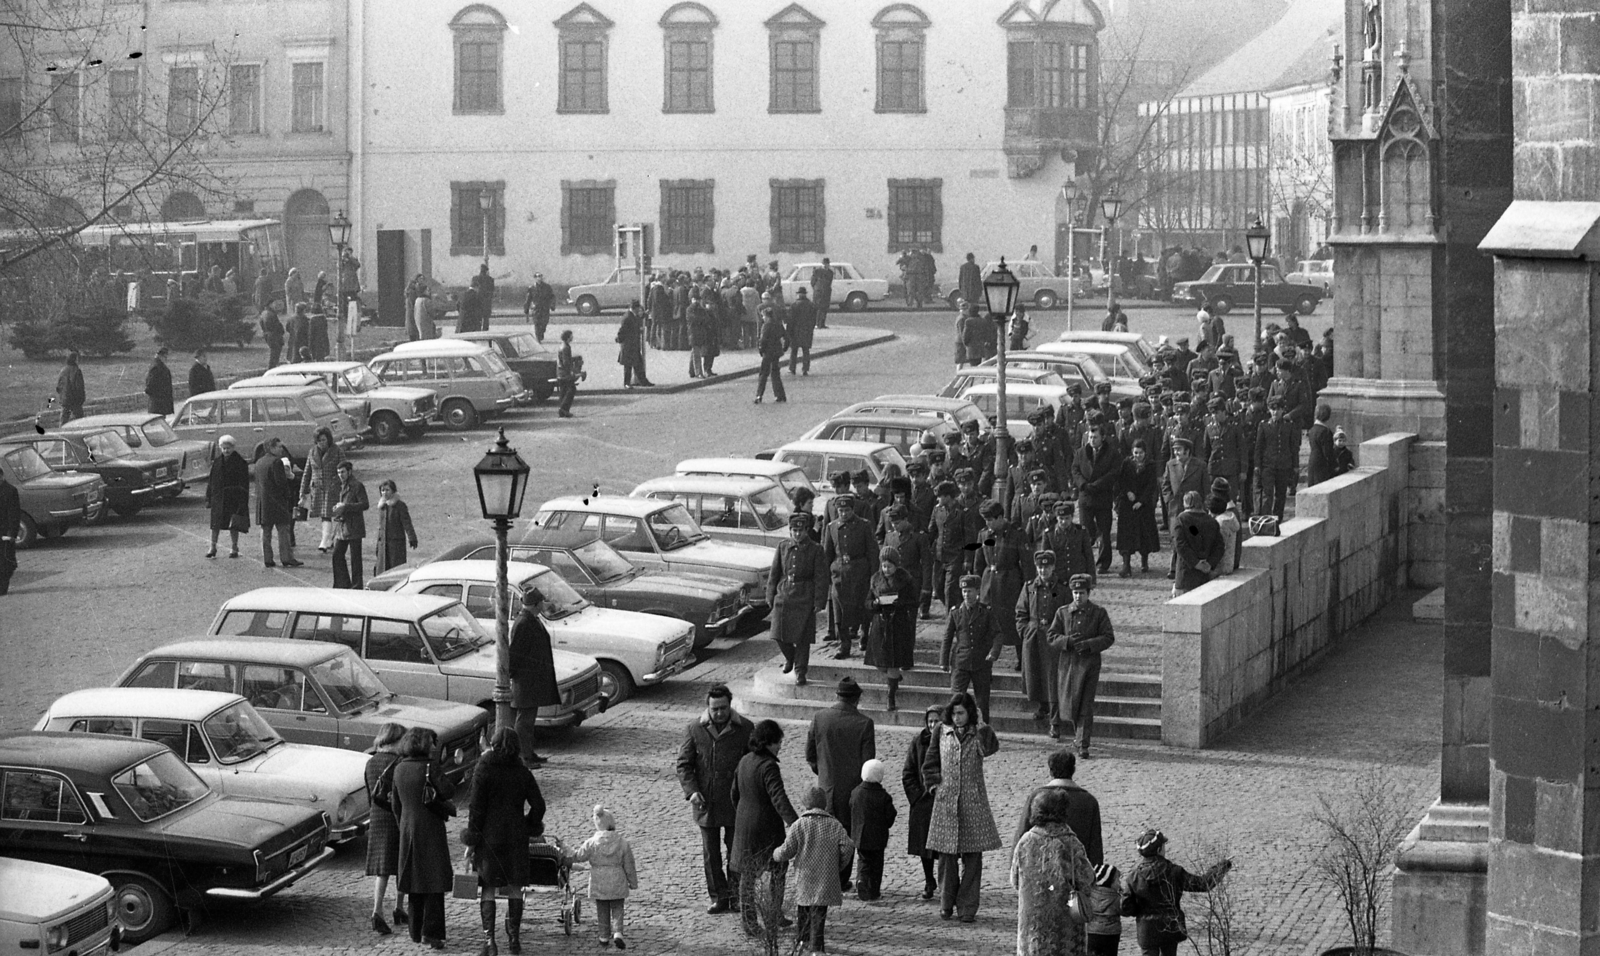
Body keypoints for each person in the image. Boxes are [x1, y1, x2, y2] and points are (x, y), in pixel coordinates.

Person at [463, 726, 545, 956]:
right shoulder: (522, 772)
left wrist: (472, 841)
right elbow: (539, 805)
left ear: (493, 745)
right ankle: (514, 938)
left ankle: (490, 941)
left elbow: (476, 810)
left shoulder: (484, 770)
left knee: (488, 887)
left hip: (489, 837)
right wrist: (529, 825)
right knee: (515, 887)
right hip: (516, 836)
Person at [923, 691, 1002, 923]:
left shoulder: (977, 733)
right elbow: (930, 761)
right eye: (954, 713)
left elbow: (990, 748)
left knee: (973, 857)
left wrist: (983, 725)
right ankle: (946, 903)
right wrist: (934, 786)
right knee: (946, 856)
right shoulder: (941, 731)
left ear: (970, 713)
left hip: (972, 802)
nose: (957, 718)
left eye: (961, 713)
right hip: (946, 802)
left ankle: (967, 906)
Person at [676, 684, 755, 915]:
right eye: (714, 709)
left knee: (736, 852)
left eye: (723, 708)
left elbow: (752, 762)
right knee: (711, 854)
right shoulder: (694, 729)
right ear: (708, 708)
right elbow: (684, 764)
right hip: (706, 803)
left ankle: (736, 895)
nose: (719, 713)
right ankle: (719, 897)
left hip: (735, 802)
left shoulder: (746, 728)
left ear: (730, 706)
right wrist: (692, 791)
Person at [805, 676, 875, 892]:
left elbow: (810, 754)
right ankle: (841, 879)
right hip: (852, 790)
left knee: (824, 834)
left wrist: (823, 773)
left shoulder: (820, 718)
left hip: (826, 787)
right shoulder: (864, 724)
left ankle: (824, 877)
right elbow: (868, 762)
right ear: (857, 699)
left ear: (836, 695)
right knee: (847, 835)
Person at [732, 719, 799, 938]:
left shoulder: (744, 760)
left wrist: (743, 814)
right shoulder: (768, 766)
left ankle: (749, 922)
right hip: (766, 828)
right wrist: (796, 823)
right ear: (768, 742)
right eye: (778, 742)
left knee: (747, 875)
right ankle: (774, 913)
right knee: (778, 869)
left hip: (744, 825)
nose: (779, 747)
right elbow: (778, 797)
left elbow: (734, 793)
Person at [1011, 787, 1097, 956]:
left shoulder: (1025, 842)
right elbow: (1087, 878)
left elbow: (1015, 880)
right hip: (1066, 925)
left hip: (1033, 925)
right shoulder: (1070, 843)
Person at [1122, 829, 1233, 956]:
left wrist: (1141, 911)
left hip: (1146, 931)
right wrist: (1222, 866)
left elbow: (1125, 907)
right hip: (1170, 927)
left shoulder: (1133, 877)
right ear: (1159, 849)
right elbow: (1203, 884)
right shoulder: (1174, 872)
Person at [392, 727, 455, 950]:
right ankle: (433, 933)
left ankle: (415, 930)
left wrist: (403, 825)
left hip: (408, 830)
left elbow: (395, 804)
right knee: (434, 882)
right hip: (430, 829)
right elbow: (448, 791)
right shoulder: (430, 767)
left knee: (414, 880)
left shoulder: (399, 768)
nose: (434, 746)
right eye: (431, 742)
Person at [1047, 574, 1115, 759]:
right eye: (1075, 593)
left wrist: (1090, 645)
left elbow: (1108, 637)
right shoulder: (1062, 613)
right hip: (1068, 665)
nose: (1078, 596)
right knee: (1071, 703)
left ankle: (1083, 743)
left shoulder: (1098, 613)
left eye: (1082, 593)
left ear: (1088, 593)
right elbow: (1051, 636)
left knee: (1086, 703)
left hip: (1089, 665)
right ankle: (1078, 737)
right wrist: (1067, 641)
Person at [1011, 749, 1103, 866]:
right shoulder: (1089, 801)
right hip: (1075, 869)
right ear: (1073, 770)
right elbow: (1095, 845)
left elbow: (1022, 833)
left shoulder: (1037, 796)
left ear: (1050, 771)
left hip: (1039, 866)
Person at [565, 805, 638, 950]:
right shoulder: (622, 843)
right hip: (617, 879)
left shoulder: (592, 842)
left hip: (599, 880)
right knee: (617, 907)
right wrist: (633, 882)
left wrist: (565, 849)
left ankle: (604, 936)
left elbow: (578, 856)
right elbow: (629, 864)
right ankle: (618, 932)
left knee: (602, 908)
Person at [770, 512, 828, 685]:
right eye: (794, 530)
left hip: (805, 596)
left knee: (803, 638)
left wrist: (819, 601)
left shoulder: (816, 549)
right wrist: (770, 595)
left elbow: (821, 577)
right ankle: (791, 658)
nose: (797, 534)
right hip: (784, 594)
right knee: (777, 633)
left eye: (800, 531)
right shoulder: (783, 546)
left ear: (807, 530)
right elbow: (775, 573)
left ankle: (800, 671)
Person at [974, 500, 1032, 671]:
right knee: (986, 624)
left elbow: (1027, 564)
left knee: (1015, 623)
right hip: (989, 585)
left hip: (1010, 584)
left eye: (990, 520)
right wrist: (977, 586)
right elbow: (978, 563)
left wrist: (1028, 589)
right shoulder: (984, 534)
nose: (988, 523)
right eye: (985, 520)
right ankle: (984, 662)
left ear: (1000, 517)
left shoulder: (1016, 534)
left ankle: (1023, 660)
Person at [1017, 550, 1072, 728]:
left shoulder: (1062, 588)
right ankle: (1042, 707)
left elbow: (1068, 614)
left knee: (1053, 678)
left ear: (1053, 567)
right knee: (1035, 674)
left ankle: (1055, 721)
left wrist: (1063, 638)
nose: (1043, 570)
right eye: (1040, 567)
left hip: (1053, 638)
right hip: (1033, 637)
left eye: (1047, 567)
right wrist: (1025, 631)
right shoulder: (1029, 587)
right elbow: (1021, 612)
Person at [364, 722, 409, 935]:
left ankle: (378, 909)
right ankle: (398, 907)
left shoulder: (371, 762)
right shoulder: (399, 763)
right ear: (395, 740)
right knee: (402, 864)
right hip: (396, 817)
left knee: (382, 869)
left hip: (377, 817)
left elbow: (369, 793)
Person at [942, 574, 1001, 725]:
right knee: (956, 699)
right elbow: (947, 637)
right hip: (960, 662)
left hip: (981, 662)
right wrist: (944, 661)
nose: (966, 595)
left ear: (977, 591)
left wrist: (994, 652)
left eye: (969, 591)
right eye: (964, 591)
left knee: (982, 701)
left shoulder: (986, 612)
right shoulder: (956, 612)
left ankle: (983, 730)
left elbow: (997, 634)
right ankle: (955, 729)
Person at [825, 495, 878, 659]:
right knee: (839, 610)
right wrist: (827, 577)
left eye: (847, 510)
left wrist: (874, 576)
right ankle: (844, 644)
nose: (844, 514)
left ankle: (864, 635)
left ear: (852, 509)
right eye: (840, 510)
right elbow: (827, 554)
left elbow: (872, 552)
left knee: (863, 607)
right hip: (839, 575)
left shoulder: (864, 525)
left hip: (860, 573)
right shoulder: (831, 527)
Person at [508, 594, 558, 768]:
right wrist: (512, 675)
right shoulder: (523, 623)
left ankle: (529, 752)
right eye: (542, 602)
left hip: (532, 681)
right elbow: (515, 653)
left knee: (529, 720)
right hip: (525, 681)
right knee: (524, 721)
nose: (544, 604)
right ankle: (523, 757)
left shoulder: (532, 619)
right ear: (536, 604)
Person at [865, 547, 918, 710]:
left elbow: (914, 601)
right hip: (880, 625)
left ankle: (891, 696)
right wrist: (874, 604)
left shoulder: (905, 580)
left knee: (893, 662)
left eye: (889, 566)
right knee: (881, 663)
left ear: (896, 566)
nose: (886, 570)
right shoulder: (875, 579)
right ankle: (894, 678)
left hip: (898, 624)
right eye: (884, 566)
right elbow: (867, 602)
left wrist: (901, 603)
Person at [901, 705, 943, 900]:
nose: (933, 725)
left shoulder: (948, 740)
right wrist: (917, 797)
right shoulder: (918, 741)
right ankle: (929, 880)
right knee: (924, 846)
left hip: (943, 800)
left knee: (944, 845)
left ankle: (946, 881)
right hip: (923, 802)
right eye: (930, 721)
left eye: (936, 721)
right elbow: (908, 772)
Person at [1073, 425, 1122, 574]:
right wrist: (1083, 484)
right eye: (1090, 437)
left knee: (1104, 531)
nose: (1092, 440)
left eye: (1095, 437)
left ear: (1103, 438)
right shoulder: (1081, 452)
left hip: (1102, 496)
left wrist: (1098, 484)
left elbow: (1114, 472)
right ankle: (1085, 562)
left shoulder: (1112, 453)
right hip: (1086, 496)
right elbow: (1075, 470)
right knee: (1085, 530)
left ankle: (1103, 563)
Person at [849, 759, 896, 903]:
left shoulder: (856, 793)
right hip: (878, 838)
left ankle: (861, 880)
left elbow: (851, 808)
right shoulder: (884, 796)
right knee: (876, 864)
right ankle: (874, 891)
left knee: (863, 860)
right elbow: (890, 815)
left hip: (860, 836)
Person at [252, 438, 300, 568]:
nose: (281, 449)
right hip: (277, 502)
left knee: (266, 532)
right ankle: (286, 557)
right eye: (279, 447)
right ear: (271, 448)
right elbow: (281, 483)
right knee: (283, 530)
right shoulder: (277, 462)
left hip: (263, 502)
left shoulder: (259, 462)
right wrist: (287, 495)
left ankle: (267, 558)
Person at [1117, 440, 1162, 577]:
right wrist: (1127, 492)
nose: (1138, 456)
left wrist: (1141, 501)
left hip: (1144, 505)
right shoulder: (1126, 463)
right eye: (1136, 453)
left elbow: (1151, 485)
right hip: (1127, 504)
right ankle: (1126, 565)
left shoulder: (1150, 465)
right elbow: (1121, 480)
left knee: (1144, 534)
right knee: (1126, 535)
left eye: (1141, 453)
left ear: (1145, 453)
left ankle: (1144, 560)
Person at [299, 428, 345, 553]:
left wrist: (337, 481)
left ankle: (326, 540)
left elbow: (345, 469)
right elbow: (307, 472)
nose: (321, 443)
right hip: (317, 488)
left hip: (332, 488)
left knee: (330, 514)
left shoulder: (337, 451)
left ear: (329, 439)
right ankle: (327, 540)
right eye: (319, 440)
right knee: (324, 515)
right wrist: (302, 492)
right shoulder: (312, 452)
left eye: (324, 440)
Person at [205, 435, 250, 559]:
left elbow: (244, 484)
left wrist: (243, 501)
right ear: (220, 448)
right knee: (215, 525)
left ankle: (234, 547)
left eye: (228, 448)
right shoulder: (217, 462)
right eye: (224, 448)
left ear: (233, 447)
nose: (226, 450)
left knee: (233, 524)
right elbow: (211, 481)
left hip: (233, 498)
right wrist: (208, 498)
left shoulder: (240, 462)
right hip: (218, 498)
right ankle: (212, 547)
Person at [1254, 398, 1300, 519]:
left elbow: (1293, 447)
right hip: (1268, 465)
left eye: (1278, 409)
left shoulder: (1289, 426)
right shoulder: (1264, 425)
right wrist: (1257, 465)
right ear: (1269, 410)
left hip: (1283, 465)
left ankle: (1278, 519)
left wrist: (1295, 465)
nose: (1275, 412)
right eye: (1272, 409)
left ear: (1282, 410)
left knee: (1281, 495)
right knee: (1267, 494)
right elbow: (1259, 447)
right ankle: (1266, 519)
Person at [1172, 490, 1224, 595]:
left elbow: (1180, 545)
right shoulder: (1212, 521)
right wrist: (1210, 564)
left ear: (1186, 503)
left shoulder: (1181, 519)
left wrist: (1195, 563)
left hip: (1185, 575)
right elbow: (1220, 546)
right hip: (1206, 576)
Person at [330, 461, 369, 589]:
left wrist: (346, 507)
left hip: (354, 526)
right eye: (338, 472)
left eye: (343, 472)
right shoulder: (341, 485)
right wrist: (338, 508)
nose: (340, 475)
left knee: (355, 559)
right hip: (342, 526)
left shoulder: (357, 486)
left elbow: (365, 504)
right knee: (337, 554)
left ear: (349, 472)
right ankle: (343, 583)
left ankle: (357, 585)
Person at [373, 479, 418, 575]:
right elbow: (381, 527)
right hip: (383, 544)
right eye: (382, 490)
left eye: (387, 490)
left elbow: (407, 523)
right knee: (382, 569)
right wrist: (378, 545)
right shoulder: (382, 507)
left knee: (396, 569)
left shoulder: (400, 505)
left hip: (396, 544)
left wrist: (412, 537)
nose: (384, 493)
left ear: (393, 491)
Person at [754, 306, 788, 403]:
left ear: (767, 316)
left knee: (763, 374)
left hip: (768, 352)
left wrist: (761, 350)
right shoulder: (778, 324)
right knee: (775, 374)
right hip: (776, 352)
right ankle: (780, 395)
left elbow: (763, 340)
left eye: (763, 316)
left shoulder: (766, 326)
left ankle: (759, 395)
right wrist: (784, 348)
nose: (763, 318)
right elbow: (786, 337)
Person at [616, 300, 653, 388]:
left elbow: (638, 319)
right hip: (628, 346)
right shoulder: (627, 318)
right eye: (638, 308)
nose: (639, 310)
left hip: (633, 345)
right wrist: (619, 340)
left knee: (638, 364)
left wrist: (644, 315)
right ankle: (627, 383)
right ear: (635, 308)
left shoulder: (632, 315)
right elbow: (622, 331)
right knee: (628, 366)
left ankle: (643, 381)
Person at [787, 287, 817, 375]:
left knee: (794, 351)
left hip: (795, 331)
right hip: (807, 331)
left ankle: (792, 368)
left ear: (798, 295)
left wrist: (788, 332)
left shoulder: (794, 305)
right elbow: (813, 319)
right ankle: (805, 369)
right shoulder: (811, 305)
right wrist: (811, 328)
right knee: (806, 350)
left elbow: (790, 320)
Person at [1306, 403, 1337, 486]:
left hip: (1312, 462)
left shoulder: (1312, 430)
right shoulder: (1325, 431)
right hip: (1322, 465)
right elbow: (1328, 453)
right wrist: (1335, 465)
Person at [0, 470, 18, 595]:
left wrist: (12, 534)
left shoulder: (10, 491)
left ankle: (2, 588)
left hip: (5, 532)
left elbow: (14, 514)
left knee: (5, 561)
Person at [55, 350, 85, 423]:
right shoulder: (77, 371)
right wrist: (81, 398)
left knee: (64, 419)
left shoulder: (63, 370)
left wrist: (62, 395)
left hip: (65, 399)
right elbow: (79, 387)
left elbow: (58, 386)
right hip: (75, 400)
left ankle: (62, 429)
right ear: (75, 360)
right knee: (80, 419)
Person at [523, 272, 554, 342]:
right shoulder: (531, 288)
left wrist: (552, 305)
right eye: (537, 276)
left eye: (540, 276)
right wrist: (526, 308)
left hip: (545, 308)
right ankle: (538, 337)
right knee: (537, 323)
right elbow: (528, 299)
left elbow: (552, 296)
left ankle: (541, 333)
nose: (539, 278)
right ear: (535, 278)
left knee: (544, 323)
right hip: (536, 308)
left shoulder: (547, 287)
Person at [555, 329, 579, 418]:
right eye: (571, 336)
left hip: (560, 372)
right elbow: (566, 362)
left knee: (563, 391)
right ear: (568, 337)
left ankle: (563, 411)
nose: (572, 337)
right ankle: (563, 409)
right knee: (571, 389)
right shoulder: (566, 347)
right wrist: (571, 372)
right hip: (565, 373)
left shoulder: (562, 346)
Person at [144, 347, 174, 414]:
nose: (166, 359)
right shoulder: (156, 367)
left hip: (161, 403)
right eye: (165, 357)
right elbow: (150, 385)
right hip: (158, 403)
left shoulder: (159, 365)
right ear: (160, 356)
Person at [259, 301, 285, 369]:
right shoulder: (271, 314)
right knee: (275, 353)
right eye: (273, 304)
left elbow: (261, 323)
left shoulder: (263, 313)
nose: (275, 306)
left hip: (268, 334)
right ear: (270, 304)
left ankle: (272, 366)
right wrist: (281, 331)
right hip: (274, 335)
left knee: (273, 352)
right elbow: (277, 325)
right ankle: (272, 367)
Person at [810, 257, 834, 329]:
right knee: (818, 308)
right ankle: (817, 323)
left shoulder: (830, 272)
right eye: (824, 264)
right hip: (818, 292)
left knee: (825, 308)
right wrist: (816, 288)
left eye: (827, 264)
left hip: (826, 292)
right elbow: (812, 282)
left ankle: (822, 323)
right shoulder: (817, 271)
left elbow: (829, 282)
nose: (825, 265)